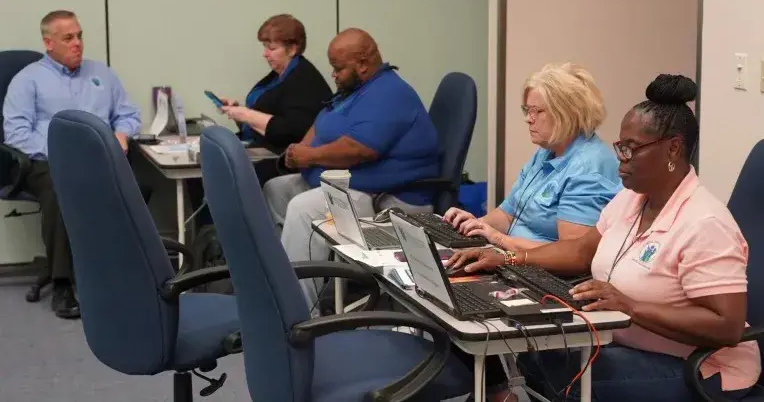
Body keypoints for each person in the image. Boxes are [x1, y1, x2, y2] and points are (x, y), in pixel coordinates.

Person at [447, 74, 760, 400]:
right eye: (619, 147)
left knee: (560, 370)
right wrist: (509, 257)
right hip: (621, 340)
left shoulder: (704, 223)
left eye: (631, 149)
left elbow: (728, 326)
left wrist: (630, 306)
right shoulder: (633, 198)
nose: (620, 160)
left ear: (673, 149)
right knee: (532, 348)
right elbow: (582, 251)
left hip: (702, 369)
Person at [263, 28, 440, 311]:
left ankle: (294, 312)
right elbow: (323, 121)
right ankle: (296, 277)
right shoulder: (355, 90)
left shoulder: (390, 94)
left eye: (338, 68)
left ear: (362, 64)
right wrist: (300, 151)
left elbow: (359, 150)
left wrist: (308, 157)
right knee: (277, 189)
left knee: (303, 209)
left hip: (386, 198)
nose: (333, 75)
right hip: (347, 186)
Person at [3, 10, 141, 319]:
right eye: (68, 38)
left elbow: (129, 114)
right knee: (60, 187)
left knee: (136, 180)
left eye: (79, 36)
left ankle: (127, 275)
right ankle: (63, 283)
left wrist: (122, 133)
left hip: (100, 158)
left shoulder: (101, 74)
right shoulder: (28, 80)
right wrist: (65, 153)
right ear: (48, 43)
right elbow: (16, 133)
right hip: (45, 162)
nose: (77, 43)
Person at [444, 62, 621, 254]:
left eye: (537, 111)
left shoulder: (588, 168)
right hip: (514, 257)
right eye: (527, 110)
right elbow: (507, 214)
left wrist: (498, 239)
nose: (528, 118)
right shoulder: (548, 150)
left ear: (567, 113)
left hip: (544, 273)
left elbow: (570, 255)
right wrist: (474, 224)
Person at [187, 14, 332, 225]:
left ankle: (222, 242)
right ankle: (211, 240)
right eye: (265, 47)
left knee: (216, 177)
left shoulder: (304, 80)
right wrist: (240, 112)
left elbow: (293, 130)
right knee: (201, 174)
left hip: (281, 158)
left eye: (271, 48)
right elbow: (267, 115)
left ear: (292, 48)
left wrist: (247, 115)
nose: (265, 54)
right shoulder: (278, 76)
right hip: (262, 148)